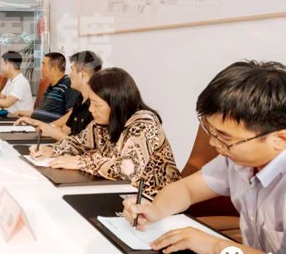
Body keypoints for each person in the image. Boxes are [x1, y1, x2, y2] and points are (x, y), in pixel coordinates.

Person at [122, 61, 286, 254]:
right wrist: (155, 209)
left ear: (280, 139)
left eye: (225, 137)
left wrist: (215, 246)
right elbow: (187, 189)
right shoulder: (237, 161)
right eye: (210, 130)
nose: (213, 143)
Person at [30, 67, 181, 196]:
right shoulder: (102, 121)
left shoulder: (144, 123)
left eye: (96, 104)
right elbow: (79, 143)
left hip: (154, 201)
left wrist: (82, 162)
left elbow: (127, 169)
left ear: (116, 105)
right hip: (118, 192)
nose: (91, 109)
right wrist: (52, 150)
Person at [15, 50, 102, 141]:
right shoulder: (80, 100)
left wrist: (48, 129)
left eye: (72, 70)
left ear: (82, 74)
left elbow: (84, 146)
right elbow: (65, 131)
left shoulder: (95, 106)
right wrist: (36, 123)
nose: (70, 75)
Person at [13, 52, 78, 122]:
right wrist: (20, 113)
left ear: (54, 68)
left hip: (48, 127)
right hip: (38, 124)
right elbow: (41, 112)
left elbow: (72, 114)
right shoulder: (51, 86)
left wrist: (50, 125)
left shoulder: (68, 84)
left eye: (44, 65)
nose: (41, 69)